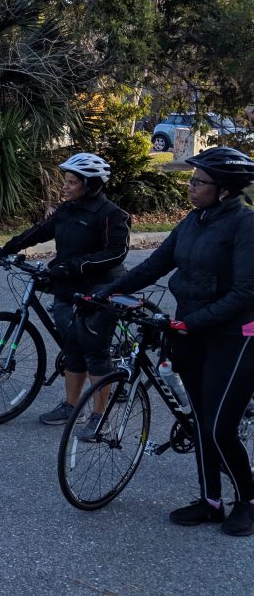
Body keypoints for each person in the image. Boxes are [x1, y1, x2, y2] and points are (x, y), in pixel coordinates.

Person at [94, 146, 254, 536]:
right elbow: (155, 264)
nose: (190, 186)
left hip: (234, 337)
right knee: (199, 420)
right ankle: (211, 501)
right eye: (192, 179)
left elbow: (246, 293)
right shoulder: (194, 220)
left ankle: (247, 501)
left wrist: (190, 323)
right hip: (189, 331)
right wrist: (106, 292)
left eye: (199, 182)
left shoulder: (246, 225)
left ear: (225, 190)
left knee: (219, 426)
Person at [0, 153, 130, 434]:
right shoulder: (67, 210)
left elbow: (116, 253)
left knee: (95, 353)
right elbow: (39, 232)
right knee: (72, 348)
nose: (65, 186)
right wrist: (7, 248)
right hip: (67, 290)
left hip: (99, 292)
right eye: (65, 181)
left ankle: (99, 417)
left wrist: (74, 266)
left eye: (72, 182)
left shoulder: (112, 215)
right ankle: (70, 406)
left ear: (90, 185)